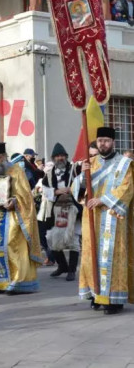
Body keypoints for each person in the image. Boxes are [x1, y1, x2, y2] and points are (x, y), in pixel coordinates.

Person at [76, 127, 134, 314]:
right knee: (92, 256)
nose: (103, 144)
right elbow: (77, 191)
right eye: (100, 140)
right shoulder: (90, 163)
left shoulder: (124, 164)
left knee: (113, 257)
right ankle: (96, 295)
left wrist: (103, 200)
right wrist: (82, 177)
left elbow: (127, 188)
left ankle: (114, 300)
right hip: (92, 218)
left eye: (106, 140)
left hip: (113, 217)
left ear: (113, 142)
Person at [0, 142, 42, 294]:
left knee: (13, 248)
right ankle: (3, 281)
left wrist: (14, 201)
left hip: (14, 218)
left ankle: (18, 282)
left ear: (5, 157)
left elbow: (26, 196)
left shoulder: (17, 171)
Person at [40, 143, 82, 281]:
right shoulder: (50, 173)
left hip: (73, 208)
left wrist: (73, 188)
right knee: (52, 238)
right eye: (57, 156)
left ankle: (71, 270)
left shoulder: (74, 169)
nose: (60, 158)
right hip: (56, 209)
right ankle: (62, 266)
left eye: (62, 155)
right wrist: (57, 191)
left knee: (73, 239)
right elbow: (45, 189)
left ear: (66, 157)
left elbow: (84, 184)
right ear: (53, 158)